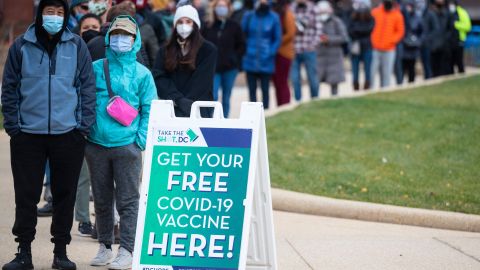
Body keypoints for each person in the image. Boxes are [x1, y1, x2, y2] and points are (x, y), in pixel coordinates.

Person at [1, 0, 96, 269]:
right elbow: (9, 89)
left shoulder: (77, 46)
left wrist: (82, 127)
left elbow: (87, 88)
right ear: (39, 14)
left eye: (59, 12)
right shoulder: (21, 45)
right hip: (28, 135)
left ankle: (61, 252)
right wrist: (14, 128)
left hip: (68, 134)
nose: (54, 17)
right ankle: (24, 252)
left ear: (65, 16)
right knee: (26, 195)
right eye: (48, 12)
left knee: (65, 195)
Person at [86, 15, 157, 269]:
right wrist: (87, 132)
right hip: (96, 144)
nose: (120, 39)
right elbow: (84, 99)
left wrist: (140, 140)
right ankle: (104, 246)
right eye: (116, 34)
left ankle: (127, 248)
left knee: (128, 200)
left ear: (135, 39)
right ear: (108, 37)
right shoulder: (95, 67)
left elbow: (150, 107)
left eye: (126, 35)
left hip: (127, 145)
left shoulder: (143, 74)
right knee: (102, 199)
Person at [153, 3, 218, 117]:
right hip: (171, 109)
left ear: (195, 24)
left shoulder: (208, 50)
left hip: (199, 110)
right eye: (180, 22)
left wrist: (186, 103)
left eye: (188, 21)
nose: (184, 26)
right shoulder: (165, 50)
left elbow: (202, 81)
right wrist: (178, 99)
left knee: (194, 136)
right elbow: (159, 76)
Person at [202, 0, 245, 117]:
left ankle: (225, 121)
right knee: (213, 96)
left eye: (224, 6)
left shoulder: (234, 25)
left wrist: (234, 58)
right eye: (219, 6)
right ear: (214, 8)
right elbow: (202, 44)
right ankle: (211, 121)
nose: (221, 8)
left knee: (226, 96)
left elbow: (241, 45)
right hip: (213, 69)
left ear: (228, 8)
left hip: (230, 68)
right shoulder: (207, 25)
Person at [242, 0, 281, 109]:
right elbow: (242, 35)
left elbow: (277, 38)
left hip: (266, 60)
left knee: (265, 90)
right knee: (252, 91)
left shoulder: (274, 17)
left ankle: (265, 115)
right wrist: (246, 51)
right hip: (250, 58)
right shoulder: (249, 16)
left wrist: (270, 52)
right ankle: (252, 116)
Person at [290, 0, 321, 101]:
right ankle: (298, 101)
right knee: (295, 79)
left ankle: (315, 100)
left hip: (309, 49)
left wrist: (312, 45)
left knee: (312, 78)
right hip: (294, 49)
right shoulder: (291, 9)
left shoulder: (313, 9)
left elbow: (319, 30)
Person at [316, 0, 348, 96]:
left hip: (334, 57)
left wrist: (329, 39)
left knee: (334, 83)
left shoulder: (336, 22)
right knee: (316, 81)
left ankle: (334, 99)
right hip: (320, 57)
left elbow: (344, 37)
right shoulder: (315, 22)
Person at [370, 0, 405, 88]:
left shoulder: (397, 15)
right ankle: (370, 90)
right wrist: (372, 39)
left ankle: (384, 91)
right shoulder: (375, 12)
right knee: (372, 72)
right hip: (375, 48)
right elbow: (369, 26)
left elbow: (400, 31)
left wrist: (391, 40)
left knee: (386, 73)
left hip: (389, 49)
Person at [272, 0, 296, 106]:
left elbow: (291, 33)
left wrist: (277, 41)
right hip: (275, 53)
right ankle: (279, 105)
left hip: (284, 53)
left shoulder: (288, 14)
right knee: (277, 82)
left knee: (282, 82)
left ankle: (285, 105)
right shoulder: (275, 12)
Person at [348, 0, 374, 90]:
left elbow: (368, 29)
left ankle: (367, 84)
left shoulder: (370, 18)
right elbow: (350, 31)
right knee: (355, 68)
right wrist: (360, 31)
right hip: (356, 47)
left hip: (367, 46)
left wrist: (358, 30)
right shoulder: (352, 18)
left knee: (367, 68)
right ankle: (355, 85)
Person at [401, 0, 424, 83]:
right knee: (402, 69)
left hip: (413, 48)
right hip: (403, 47)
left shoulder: (417, 17)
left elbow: (421, 32)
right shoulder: (401, 16)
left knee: (411, 69)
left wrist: (418, 41)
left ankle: (411, 85)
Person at [429, 0, 454, 77]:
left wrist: (445, 39)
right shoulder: (431, 13)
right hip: (434, 46)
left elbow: (451, 29)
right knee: (434, 69)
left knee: (445, 69)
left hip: (445, 46)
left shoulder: (448, 14)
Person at [417, 0, 439, 79]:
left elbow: (436, 29)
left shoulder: (430, 14)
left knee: (428, 64)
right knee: (423, 64)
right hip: (420, 43)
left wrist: (427, 38)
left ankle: (429, 79)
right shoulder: (418, 14)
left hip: (428, 44)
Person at [449, 0, 471, 74]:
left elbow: (468, 26)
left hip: (459, 40)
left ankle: (462, 76)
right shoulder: (448, 12)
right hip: (449, 41)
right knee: (450, 62)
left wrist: (456, 24)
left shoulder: (462, 12)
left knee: (459, 61)